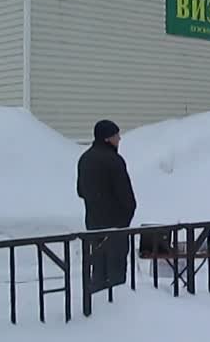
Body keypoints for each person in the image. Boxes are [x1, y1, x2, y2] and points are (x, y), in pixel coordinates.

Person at [77, 120, 137, 292]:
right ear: (107, 138)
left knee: (98, 270)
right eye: (116, 135)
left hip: (94, 224)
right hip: (116, 226)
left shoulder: (85, 159)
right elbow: (126, 196)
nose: (119, 139)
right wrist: (125, 218)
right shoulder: (114, 160)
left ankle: (97, 308)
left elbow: (81, 191)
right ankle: (115, 310)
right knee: (115, 273)